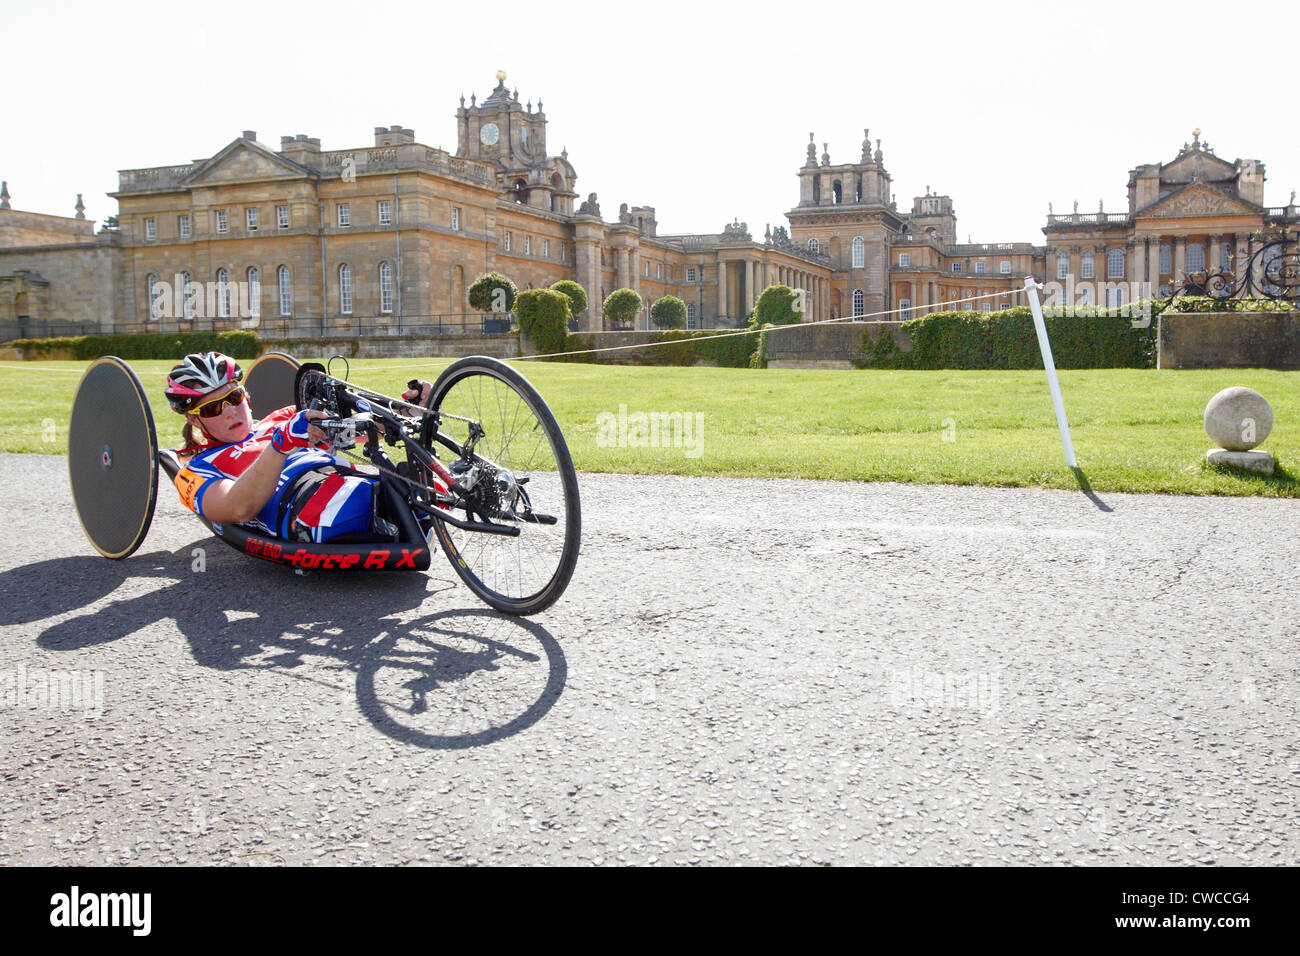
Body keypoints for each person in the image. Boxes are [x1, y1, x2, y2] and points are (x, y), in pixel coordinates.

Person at [165, 352, 431, 543]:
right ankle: (399, 505)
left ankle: (431, 491)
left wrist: (409, 411)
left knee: (420, 478)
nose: (229, 412)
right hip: (306, 503)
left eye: (233, 397)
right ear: (193, 418)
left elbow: (361, 428)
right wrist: (281, 445)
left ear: (245, 394)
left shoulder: (281, 418)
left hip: (347, 478)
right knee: (359, 499)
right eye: (212, 408)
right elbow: (238, 508)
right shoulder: (196, 470)